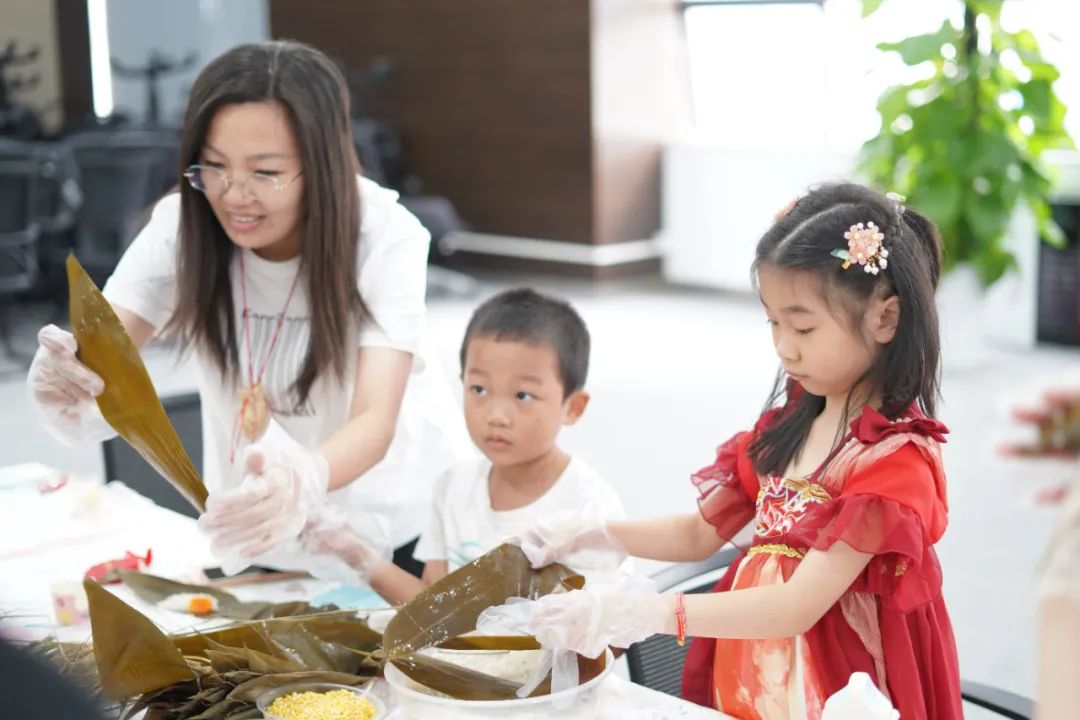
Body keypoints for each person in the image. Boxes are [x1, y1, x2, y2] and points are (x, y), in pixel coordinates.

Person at [484, 184, 963, 719]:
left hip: (839, 686)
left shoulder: (893, 463)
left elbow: (793, 607)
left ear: (885, 319)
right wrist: (588, 532)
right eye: (773, 323)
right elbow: (698, 534)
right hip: (757, 667)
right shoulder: (791, 425)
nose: (784, 347)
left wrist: (645, 612)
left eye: (803, 327)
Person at [26, 40, 466, 576]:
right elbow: (102, 353)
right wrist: (66, 376)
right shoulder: (182, 226)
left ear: (321, 166)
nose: (234, 196)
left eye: (265, 173)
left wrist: (305, 476)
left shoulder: (382, 235)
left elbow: (375, 417)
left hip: (393, 523)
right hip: (261, 524)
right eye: (214, 166)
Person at [305, 288, 626, 603]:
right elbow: (431, 607)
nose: (496, 415)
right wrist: (354, 551)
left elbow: (607, 622)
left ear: (573, 407)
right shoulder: (453, 489)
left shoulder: (587, 504)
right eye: (479, 389)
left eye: (522, 395)